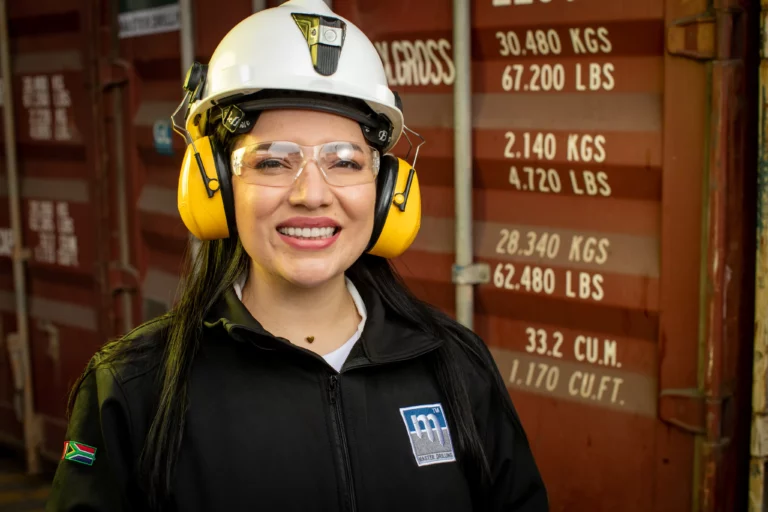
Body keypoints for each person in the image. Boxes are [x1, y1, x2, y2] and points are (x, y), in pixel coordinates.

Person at [46, 0, 548, 510]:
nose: (312, 193)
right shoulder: (135, 388)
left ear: (384, 190)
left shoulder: (455, 367)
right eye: (272, 162)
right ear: (215, 185)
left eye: (345, 161)